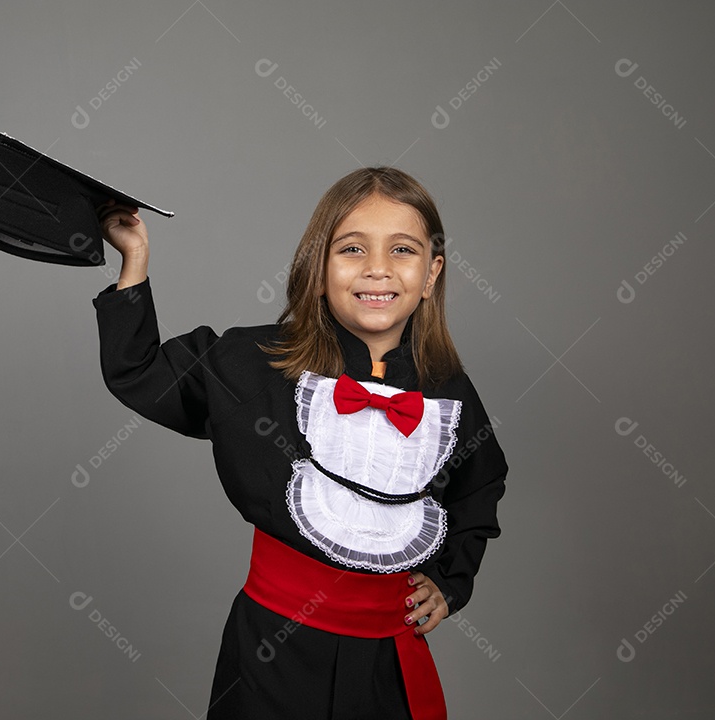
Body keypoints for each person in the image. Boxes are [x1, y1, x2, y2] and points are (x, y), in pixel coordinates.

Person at [92, 167, 508, 719]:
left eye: (402, 250)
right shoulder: (251, 363)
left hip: (389, 658)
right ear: (317, 270)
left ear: (431, 274)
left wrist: (449, 582)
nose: (377, 269)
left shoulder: (450, 392)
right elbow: (140, 373)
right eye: (352, 249)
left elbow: (480, 488)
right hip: (273, 652)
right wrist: (135, 260)